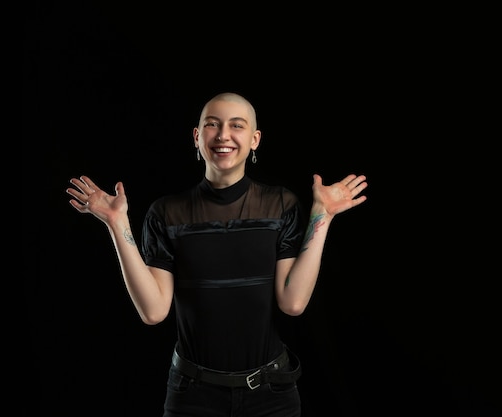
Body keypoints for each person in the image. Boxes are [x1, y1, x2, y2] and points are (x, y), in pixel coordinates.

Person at [66, 92, 368, 416]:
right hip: (192, 398)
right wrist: (117, 223)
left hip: (271, 395)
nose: (223, 135)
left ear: (254, 140)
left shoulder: (281, 205)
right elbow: (153, 311)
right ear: (197, 137)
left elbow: (293, 302)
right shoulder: (166, 213)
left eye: (236, 126)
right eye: (212, 124)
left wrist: (322, 214)